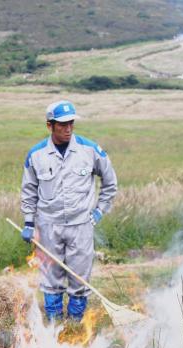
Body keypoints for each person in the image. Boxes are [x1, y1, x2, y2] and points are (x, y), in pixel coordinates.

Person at [20, 100, 117, 322]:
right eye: (62, 124)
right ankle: (54, 326)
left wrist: (100, 211)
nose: (68, 128)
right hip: (48, 226)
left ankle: (75, 326)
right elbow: (28, 191)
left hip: (81, 225)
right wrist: (28, 223)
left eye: (71, 123)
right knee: (50, 279)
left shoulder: (90, 150)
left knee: (79, 279)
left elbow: (110, 183)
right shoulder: (36, 155)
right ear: (50, 125)